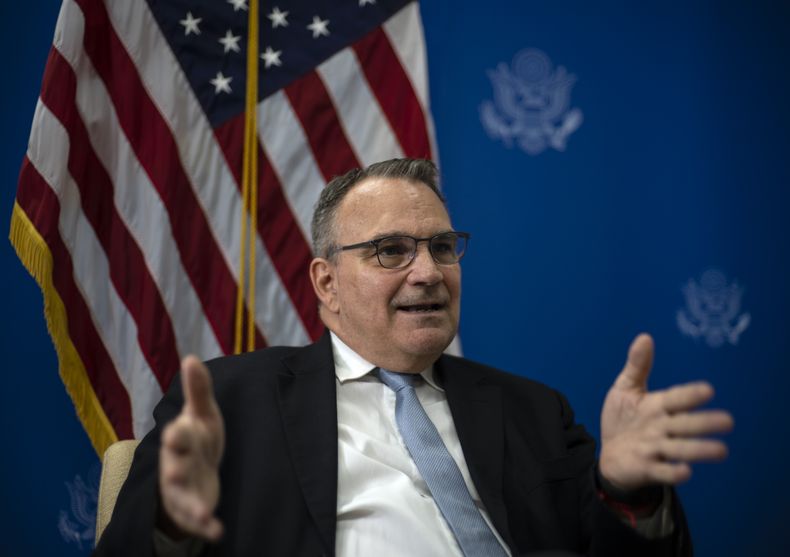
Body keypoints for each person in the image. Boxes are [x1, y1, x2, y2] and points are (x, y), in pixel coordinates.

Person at [94, 158, 733, 557]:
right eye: (390, 250)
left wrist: (625, 493)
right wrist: (172, 531)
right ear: (326, 284)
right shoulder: (232, 403)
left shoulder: (535, 410)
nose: (428, 273)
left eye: (442, 247)